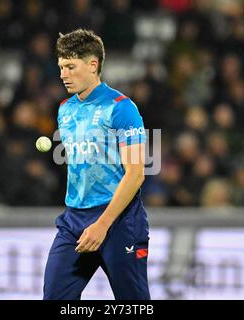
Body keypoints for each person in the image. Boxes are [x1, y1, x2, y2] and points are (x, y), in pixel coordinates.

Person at [43, 29, 150, 300]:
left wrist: (103, 224)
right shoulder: (65, 109)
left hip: (119, 221)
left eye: (70, 66)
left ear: (93, 65)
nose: (63, 74)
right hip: (74, 220)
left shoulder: (122, 108)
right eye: (60, 67)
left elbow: (136, 175)